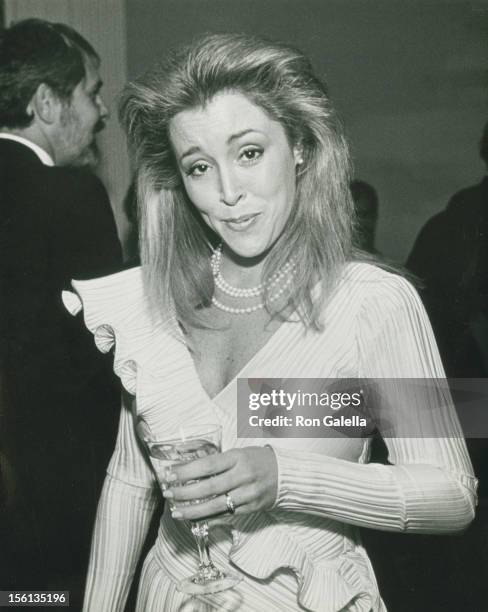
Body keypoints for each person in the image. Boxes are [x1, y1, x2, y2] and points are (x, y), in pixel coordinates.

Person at [65, 34, 476, 611]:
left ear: (301, 148)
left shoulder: (372, 302)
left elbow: (451, 496)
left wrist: (286, 476)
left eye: (250, 153)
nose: (229, 193)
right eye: (200, 166)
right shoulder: (154, 296)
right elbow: (131, 483)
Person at [0, 18, 122, 605]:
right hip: (53, 517)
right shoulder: (70, 197)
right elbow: (109, 352)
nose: (100, 112)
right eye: (92, 92)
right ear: (46, 103)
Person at [350, 179, 380, 254]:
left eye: (364, 215)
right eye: (353, 215)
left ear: (374, 217)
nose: (358, 223)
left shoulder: (383, 264)